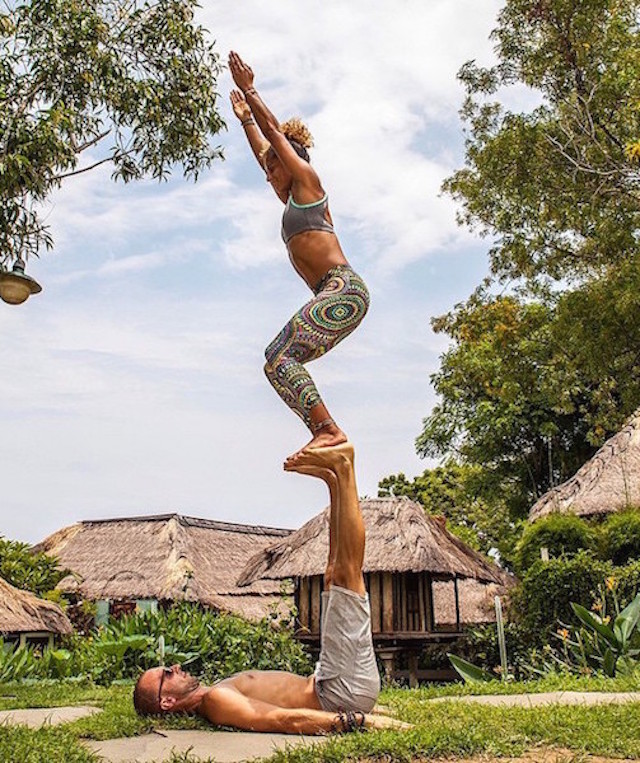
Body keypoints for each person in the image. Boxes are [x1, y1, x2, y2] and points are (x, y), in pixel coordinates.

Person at [133, 444, 406, 734]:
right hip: (338, 691)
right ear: (167, 701)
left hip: (329, 681)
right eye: (166, 673)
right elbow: (281, 720)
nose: (174, 667)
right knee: (346, 575)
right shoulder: (215, 701)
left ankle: (334, 483)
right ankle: (344, 467)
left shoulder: (214, 693)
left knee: (332, 575)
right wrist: (363, 720)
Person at [228, 51, 370, 463]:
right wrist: (245, 122)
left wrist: (252, 91)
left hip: (344, 290)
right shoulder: (290, 197)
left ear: (291, 163)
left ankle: (329, 430)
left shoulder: (309, 183)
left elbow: (275, 137)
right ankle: (324, 431)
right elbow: (264, 149)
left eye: (275, 166)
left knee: (281, 354)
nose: (268, 173)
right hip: (330, 293)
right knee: (275, 360)